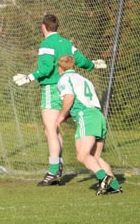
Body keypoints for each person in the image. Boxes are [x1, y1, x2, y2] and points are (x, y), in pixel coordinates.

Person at [12, 14, 107, 186]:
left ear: (43, 27)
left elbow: (46, 69)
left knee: (51, 128)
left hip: (52, 89)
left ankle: (53, 172)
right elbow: (80, 60)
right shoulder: (66, 43)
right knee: (51, 130)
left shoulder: (46, 44)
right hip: (68, 86)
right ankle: (60, 166)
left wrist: (29, 77)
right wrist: (92, 64)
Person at [55, 55, 122, 195]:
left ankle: (103, 178)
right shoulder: (84, 79)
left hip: (86, 117)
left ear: (60, 68)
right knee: (95, 157)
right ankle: (115, 186)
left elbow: (69, 98)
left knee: (82, 155)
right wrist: (68, 115)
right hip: (98, 115)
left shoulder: (64, 79)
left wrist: (60, 116)